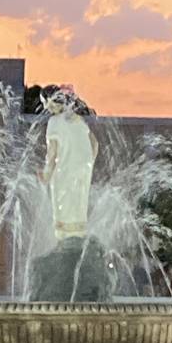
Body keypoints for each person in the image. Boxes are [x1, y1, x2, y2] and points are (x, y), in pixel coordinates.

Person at [39, 88, 98, 242]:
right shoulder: (79, 120)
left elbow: (52, 154)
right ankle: (78, 239)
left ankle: (64, 243)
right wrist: (88, 164)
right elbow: (95, 144)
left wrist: (46, 175)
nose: (45, 108)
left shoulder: (54, 122)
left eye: (45, 103)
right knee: (78, 207)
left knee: (62, 209)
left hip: (64, 172)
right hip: (83, 171)